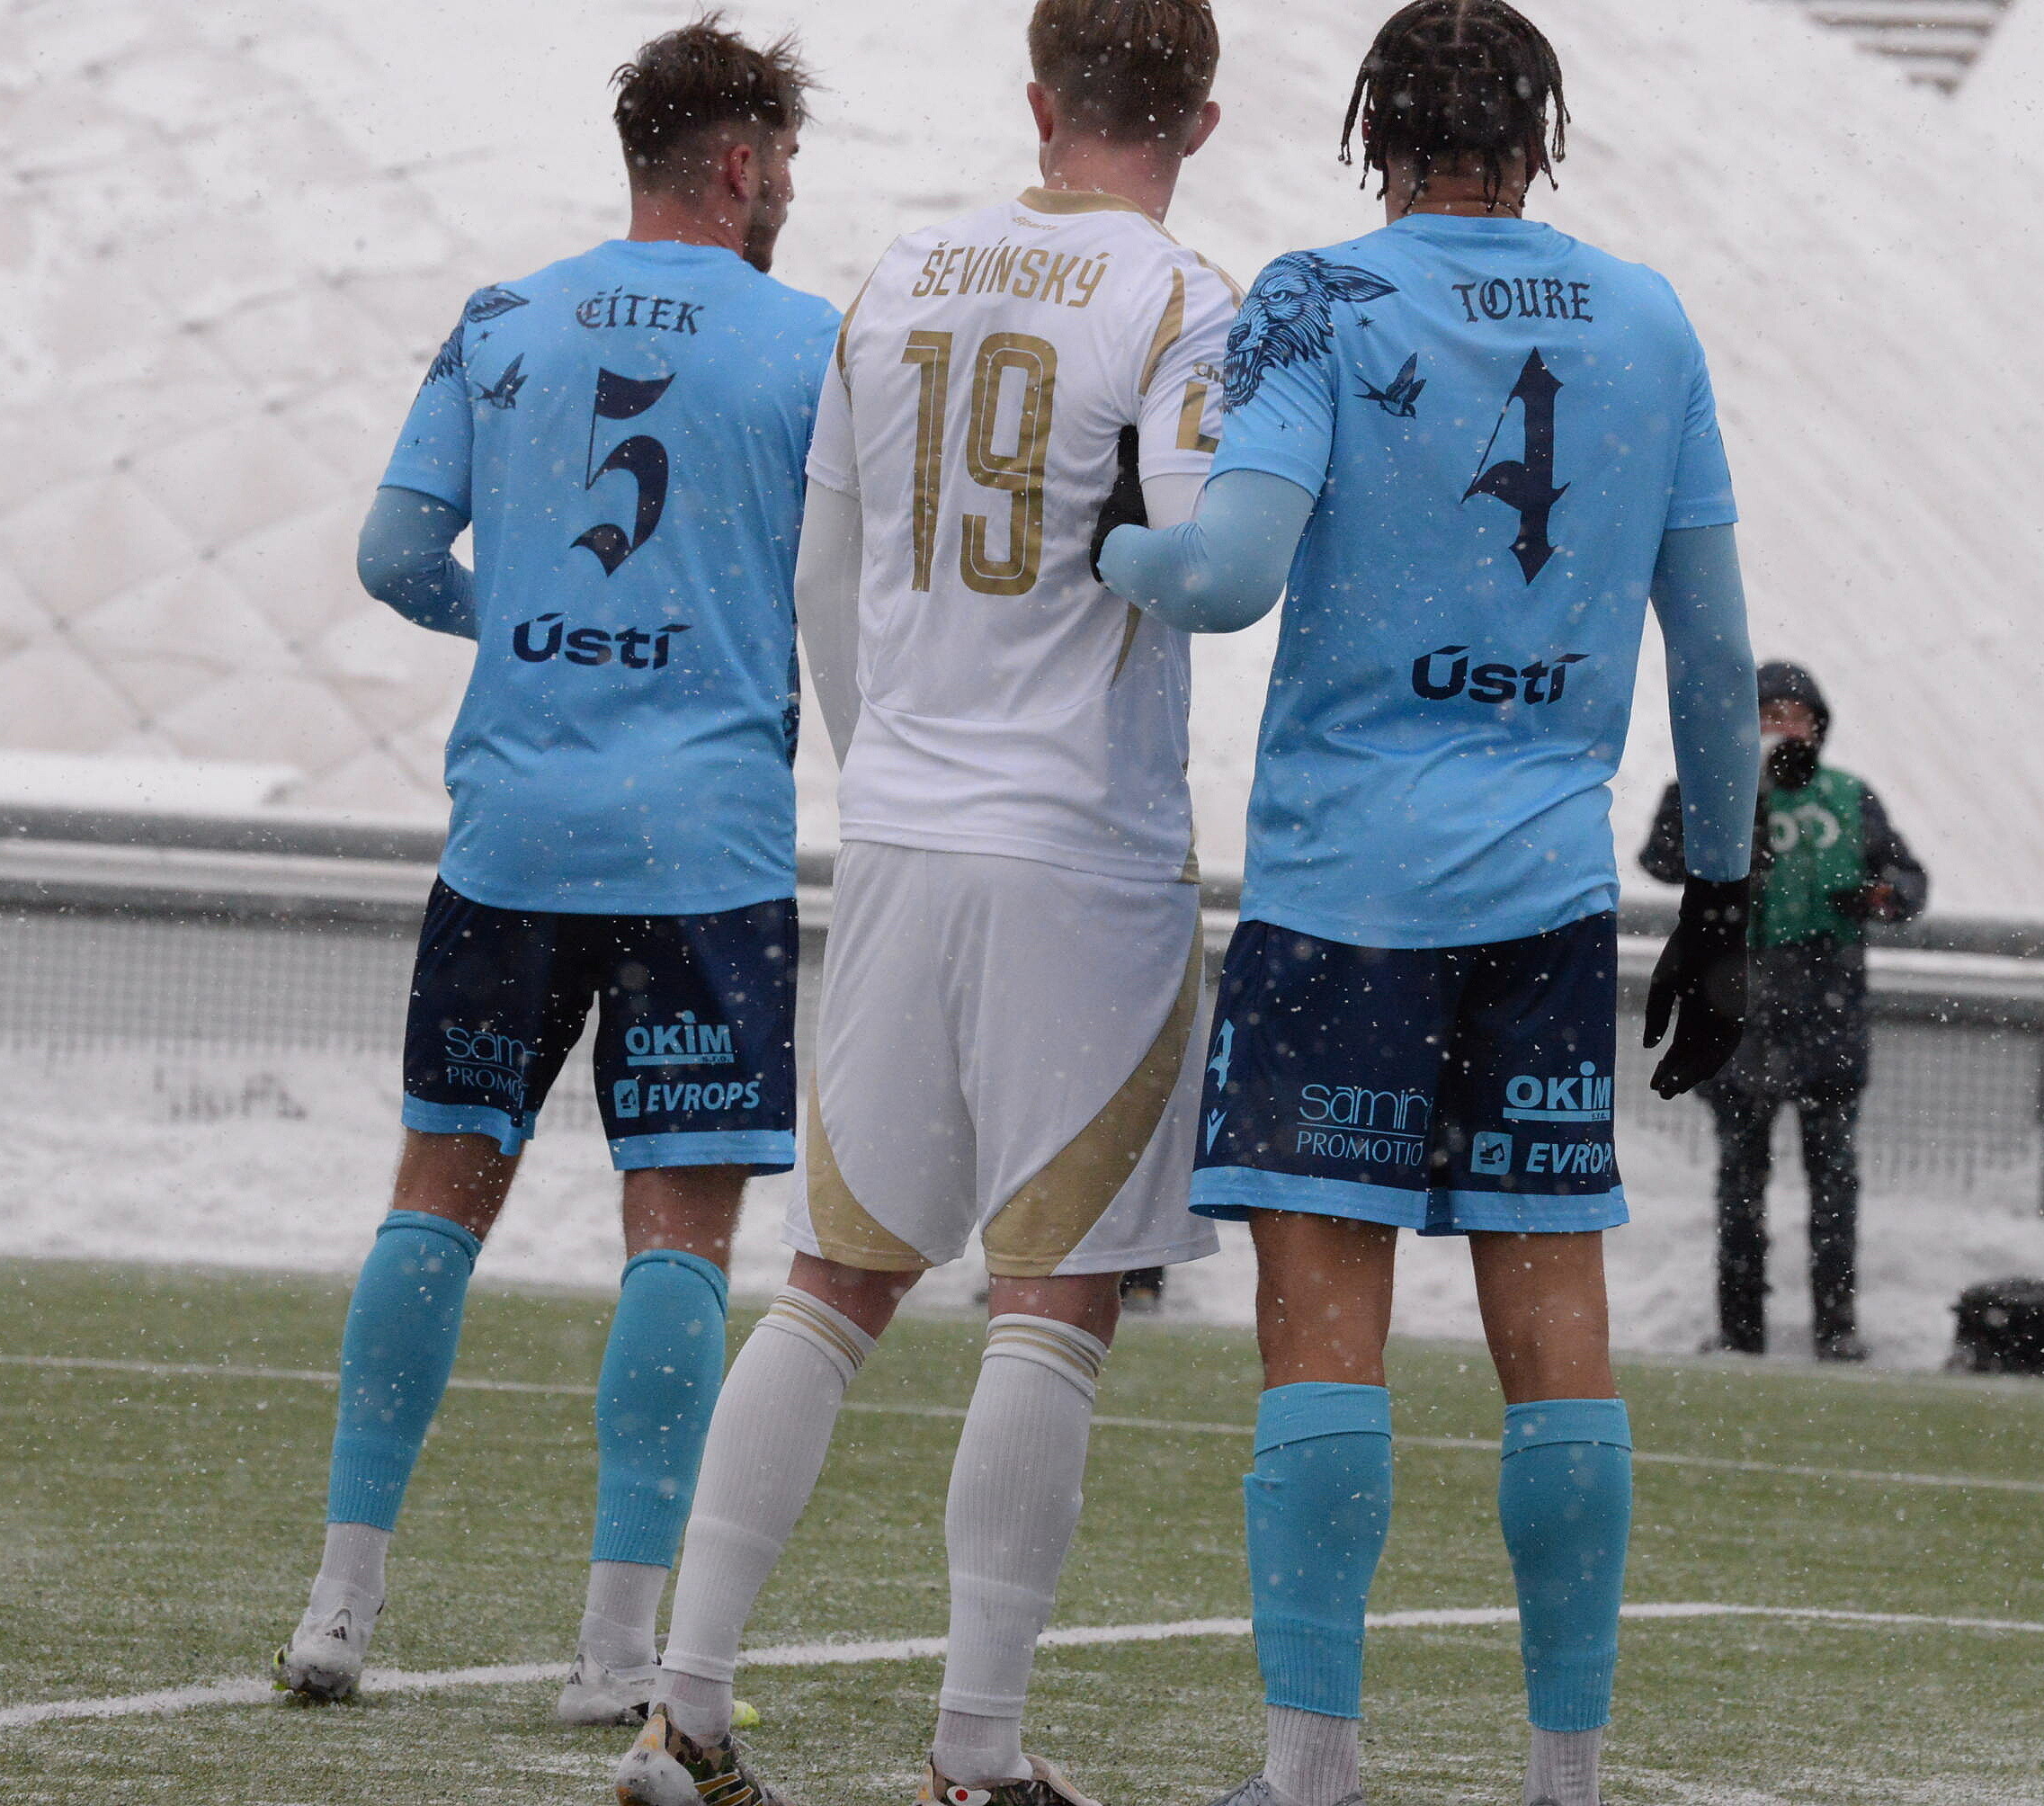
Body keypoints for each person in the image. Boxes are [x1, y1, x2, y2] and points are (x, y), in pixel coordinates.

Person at [1099, 4, 1760, 1803]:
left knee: (1326, 1330)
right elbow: (1714, 653)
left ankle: (1312, 1764)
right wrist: (1720, 884)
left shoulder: (1317, 298)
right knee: (1555, 1334)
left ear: (1371, 137)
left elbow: (1224, 579)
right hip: (1541, 899)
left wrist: (1116, 543)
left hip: (1346, 891)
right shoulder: (1645, 318)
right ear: (1537, 143)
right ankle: (1565, 1774)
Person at [614, 6, 1235, 1803]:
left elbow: (825, 567)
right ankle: (973, 1745)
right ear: (1199, 117)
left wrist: (883, 765)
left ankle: (684, 1700)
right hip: (1077, 845)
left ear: (1038, 97)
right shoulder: (1183, 297)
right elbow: (1200, 565)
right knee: (1052, 1295)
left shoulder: (892, 277)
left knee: (832, 1277)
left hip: (898, 822)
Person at [271, 19, 836, 1723]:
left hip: (514, 831)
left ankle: (338, 1602)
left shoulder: (502, 316)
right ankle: (613, 1646)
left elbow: (392, 552)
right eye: (783, 164)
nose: (787, 192)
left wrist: (521, 619)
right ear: (737, 163)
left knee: (436, 1198)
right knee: (678, 1234)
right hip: (703, 843)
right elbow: (856, 593)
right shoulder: (817, 342)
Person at [1639, 660, 1926, 1362]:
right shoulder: (1711, 788)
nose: (1786, 730)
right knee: (1740, 1186)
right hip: (1736, 1015)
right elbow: (1661, 859)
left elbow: (1909, 880)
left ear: (1820, 729)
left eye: (1799, 718)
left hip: (1828, 1017)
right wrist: (1726, 798)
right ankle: (1740, 1332)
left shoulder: (1849, 798)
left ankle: (1837, 1329)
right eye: (1770, 716)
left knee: (1835, 1185)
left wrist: (1882, 895)